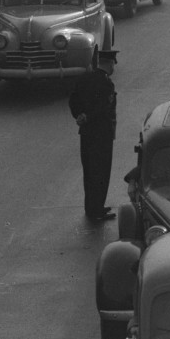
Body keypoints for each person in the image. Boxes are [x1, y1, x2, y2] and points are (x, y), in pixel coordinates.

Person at [69, 52, 118, 221]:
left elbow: (73, 99)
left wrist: (79, 115)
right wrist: (89, 116)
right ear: (110, 64)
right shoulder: (106, 84)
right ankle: (96, 210)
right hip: (102, 135)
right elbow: (104, 108)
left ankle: (91, 207)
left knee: (89, 172)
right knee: (101, 172)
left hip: (86, 133)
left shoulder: (84, 78)